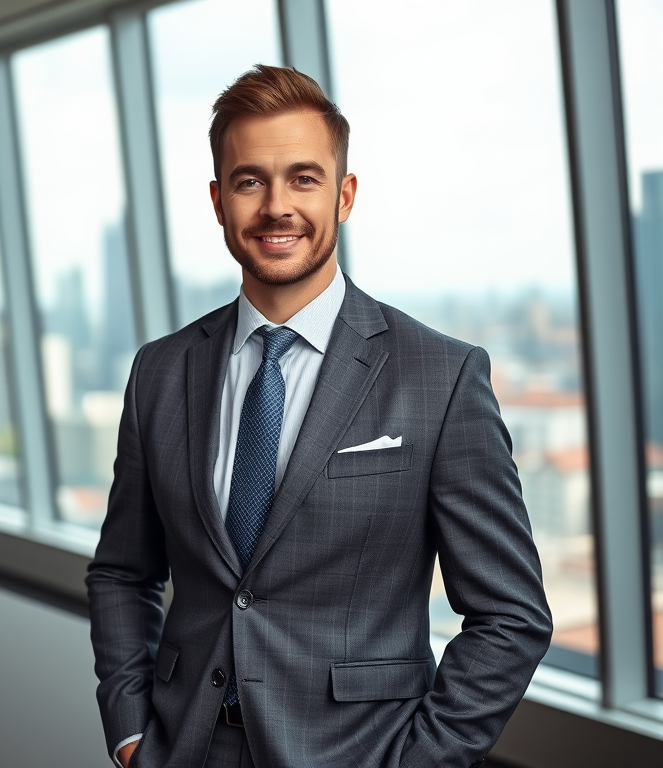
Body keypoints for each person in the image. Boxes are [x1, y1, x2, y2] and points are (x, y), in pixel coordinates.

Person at [86, 64, 552, 768]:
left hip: (358, 753)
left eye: (304, 178)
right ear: (218, 200)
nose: (277, 206)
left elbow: (511, 615)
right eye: (250, 181)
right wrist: (128, 731)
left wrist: (422, 761)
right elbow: (123, 572)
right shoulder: (161, 371)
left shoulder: (441, 375)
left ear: (345, 195)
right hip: (182, 747)